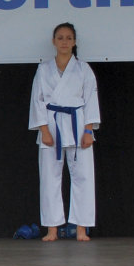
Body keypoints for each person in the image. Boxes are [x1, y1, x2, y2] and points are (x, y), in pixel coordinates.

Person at [29, 22, 100, 241]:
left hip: (78, 124)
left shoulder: (83, 69)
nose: (64, 42)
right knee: (49, 179)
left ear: (74, 42)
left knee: (83, 178)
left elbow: (91, 100)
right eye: (60, 38)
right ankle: (52, 228)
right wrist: (44, 130)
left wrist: (88, 130)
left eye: (69, 38)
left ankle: (81, 228)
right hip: (51, 124)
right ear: (53, 41)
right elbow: (37, 100)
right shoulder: (44, 69)